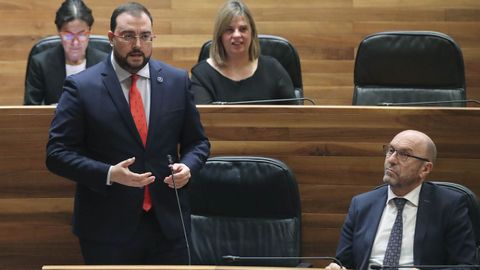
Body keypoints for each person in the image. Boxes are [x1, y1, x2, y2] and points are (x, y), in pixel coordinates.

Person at [46, 2, 210, 265]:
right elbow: (57, 154)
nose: (137, 44)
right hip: (106, 228)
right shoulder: (82, 87)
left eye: (145, 36)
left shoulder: (176, 81)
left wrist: (188, 167)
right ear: (112, 38)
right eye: (128, 36)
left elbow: (197, 142)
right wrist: (109, 174)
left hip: (168, 225)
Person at [326, 130, 476, 270]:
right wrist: (337, 267)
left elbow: (465, 266)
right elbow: (343, 262)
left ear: (425, 169)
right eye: (391, 150)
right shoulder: (361, 204)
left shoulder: (450, 205)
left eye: (404, 154)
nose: (391, 160)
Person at [190, 0, 296, 104]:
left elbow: (295, 117)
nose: (237, 35)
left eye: (243, 29)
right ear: (220, 36)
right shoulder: (202, 75)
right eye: (229, 30)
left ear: (252, 33)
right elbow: (202, 119)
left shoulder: (274, 70)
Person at [24, 0, 108, 105]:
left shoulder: (104, 63)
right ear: (59, 33)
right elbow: (31, 111)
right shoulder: (41, 64)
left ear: (89, 32)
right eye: (68, 35)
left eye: (82, 34)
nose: (75, 42)